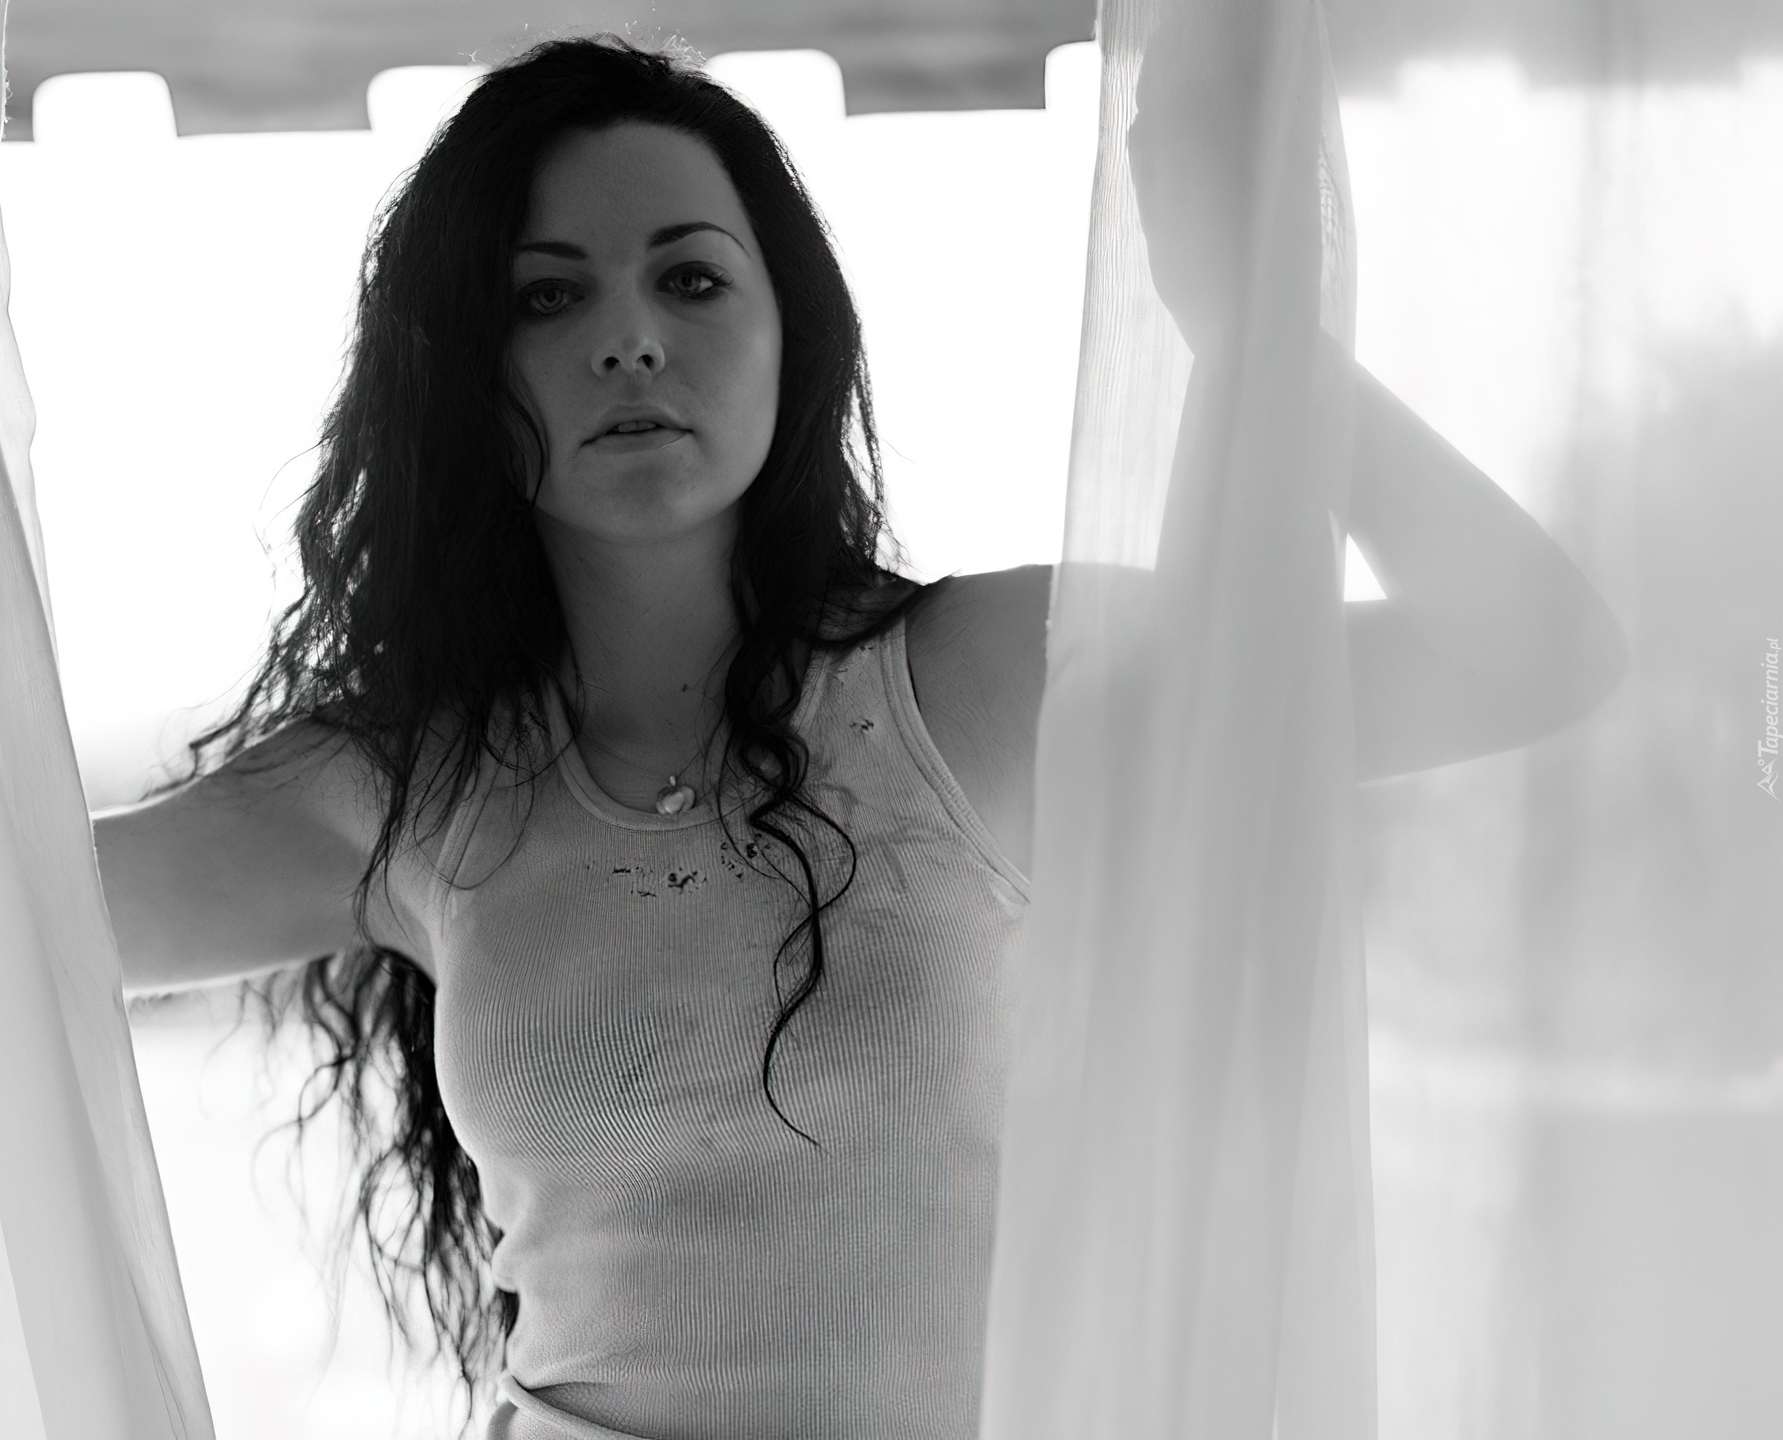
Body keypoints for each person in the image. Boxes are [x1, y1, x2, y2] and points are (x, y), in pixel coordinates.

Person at [94, 35, 1626, 1440]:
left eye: (691, 279)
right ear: (461, 372)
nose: (629, 340)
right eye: (545, 296)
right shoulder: (405, 788)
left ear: (793, 335)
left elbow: (1524, 653)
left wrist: (1258, 338)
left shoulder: (990, 676)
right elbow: (1, 911)